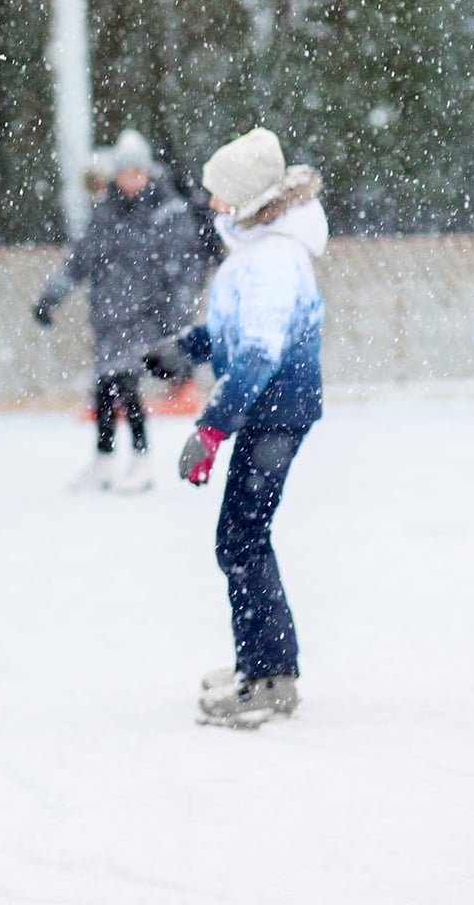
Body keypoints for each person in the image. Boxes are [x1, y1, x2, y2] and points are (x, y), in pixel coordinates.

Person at [146, 127, 325, 729]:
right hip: (266, 410)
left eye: (221, 194)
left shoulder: (274, 259)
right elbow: (234, 335)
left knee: (241, 539)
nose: (212, 203)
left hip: (275, 413)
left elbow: (257, 356)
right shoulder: (257, 249)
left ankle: (270, 677)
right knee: (242, 538)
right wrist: (186, 347)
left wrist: (210, 429)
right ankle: (263, 661)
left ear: (249, 199)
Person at [32, 129, 201, 493]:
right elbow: (79, 261)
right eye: (125, 173)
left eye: (137, 173)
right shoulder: (105, 214)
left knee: (126, 385)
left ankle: (141, 459)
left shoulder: (165, 212)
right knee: (105, 388)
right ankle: (105, 459)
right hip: (107, 317)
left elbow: (183, 268)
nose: (130, 181)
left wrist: (175, 317)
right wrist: (50, 298)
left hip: (143, 318)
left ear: (147, 173)